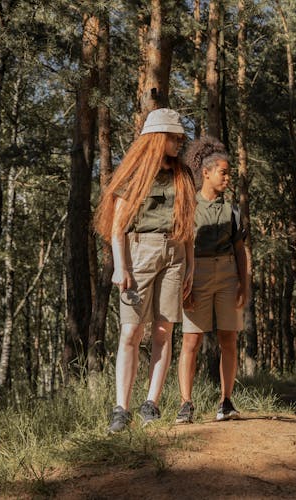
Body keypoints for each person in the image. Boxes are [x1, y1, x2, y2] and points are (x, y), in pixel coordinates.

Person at [94, 108, 195, 433]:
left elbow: (187, 227)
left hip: (175, 253)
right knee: (130, 331)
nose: (178, 142)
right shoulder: (134, 173)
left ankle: (150, 403)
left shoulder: (183, 175)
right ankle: (121, 408)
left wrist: (189, 266)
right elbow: (118, 227)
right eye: (172, 137)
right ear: (155, 138)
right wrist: (120, 266)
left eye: (180, 137)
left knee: (164, 332)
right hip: (140, 253)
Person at [175, 136, 250, 424]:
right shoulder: (188, 206)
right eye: (224, 172)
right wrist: (184, 284)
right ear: (206, 173)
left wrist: (244, 284)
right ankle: (186, 403)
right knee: (191, 340)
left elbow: (240, 251)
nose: (228, 178)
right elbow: (181, 247)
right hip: (197, 274)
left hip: (228, 275)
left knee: (228, 338)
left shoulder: (232, 210)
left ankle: (226, 401)